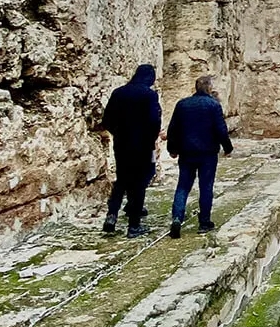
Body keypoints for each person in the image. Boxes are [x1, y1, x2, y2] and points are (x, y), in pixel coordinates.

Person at [166, 75, 233, 238]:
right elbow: (221, 129)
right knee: (206, 186)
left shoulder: (182, 104)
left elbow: (173, 129)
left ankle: (177, 218)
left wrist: (172, 149)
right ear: (209, 88)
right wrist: (227, 147)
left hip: (186, 152)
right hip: (207, 153)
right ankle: (204, 222)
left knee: (183, 185)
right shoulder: (213, 105)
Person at [100, 63, 162, 237]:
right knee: (139, 183)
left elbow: (107, 120)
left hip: (121, 144)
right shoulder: (149, 95)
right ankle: (134, 225)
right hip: (143, 146)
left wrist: (119, 134)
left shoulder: (118, 93)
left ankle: (112, 214)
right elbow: (154, 121)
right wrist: (150, 138)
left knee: (122, 180)